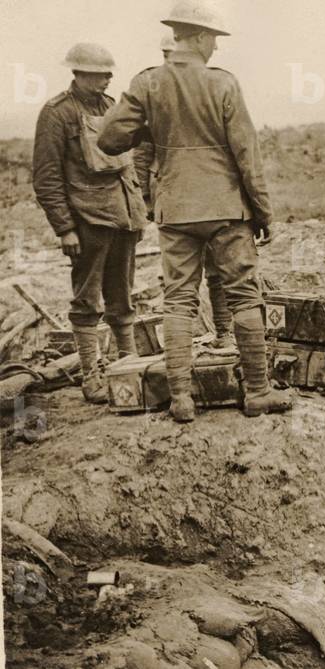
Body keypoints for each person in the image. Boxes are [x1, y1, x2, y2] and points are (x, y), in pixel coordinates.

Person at [98, 0, 291, 421]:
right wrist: (264, 213)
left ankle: (182, 399)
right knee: (243, 295)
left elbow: (110, 139)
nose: (216, 49)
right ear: (201, 37)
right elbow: (247, 154)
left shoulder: (148, 83)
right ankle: (257, 392)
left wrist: (154, 123)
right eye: (214, 40)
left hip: (176, 208)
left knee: (178, 300)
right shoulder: (223, 84)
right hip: (225, 207)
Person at [32, 42, 147, 403]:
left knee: (122, 296)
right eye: (99, 74)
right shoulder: (57, 114)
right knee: (87, 301)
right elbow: (47, 177)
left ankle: (127, 364)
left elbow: (130, 162)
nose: (107, 79)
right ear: (78, 74)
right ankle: (91, 373)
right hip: (87, 221)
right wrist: (64, 227)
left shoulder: (111, 107)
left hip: (123, 216)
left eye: (109, 73)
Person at [133, 32, 236, 352]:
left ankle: (223, 331)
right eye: (164, 55)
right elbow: (141, 154)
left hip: (205, 199)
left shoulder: (208, 88)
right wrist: (147, 201)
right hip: (174, 199)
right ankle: (183, 345)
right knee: (180, 281)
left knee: (217, 272)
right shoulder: (156, 96)